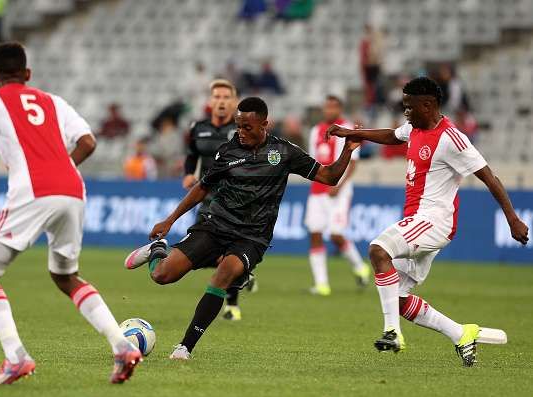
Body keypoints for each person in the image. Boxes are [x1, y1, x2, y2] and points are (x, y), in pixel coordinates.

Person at [124, 97, 360, 359]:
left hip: (252, 236)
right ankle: (158, 250)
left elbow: (329, 177)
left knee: (224, 275)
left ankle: (184, 347)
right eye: (239, 127)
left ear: (264, 124)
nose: (242, 132)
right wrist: (170, 220)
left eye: (248, 127)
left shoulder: (284, 152)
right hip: (216, 225)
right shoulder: (228, 151)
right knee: (162, 276)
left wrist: (347, 150)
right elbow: (203, 187)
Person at [0, 42, 141, 385]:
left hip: (31, 190)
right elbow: (89, 141)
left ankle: (16, 357)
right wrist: (63, 170)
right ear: (28, 74)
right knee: (66, 276)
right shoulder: (52, 100)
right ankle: (122, 346)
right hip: (73, 190)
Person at [327, 77, 529, 366]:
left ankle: (392, 333)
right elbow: (393, 135)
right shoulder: (414, 128)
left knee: (378, 249)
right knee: (395, 297)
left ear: (428, 104)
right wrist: (353, 133)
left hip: (434, 220)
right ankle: (461, 333)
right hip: (418, 220)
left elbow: (488, 177)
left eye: (409, 107)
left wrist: (512, 218)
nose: (405, 112)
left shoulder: (453, 139)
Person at [182, 79, 252, 321]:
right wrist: (189, 174)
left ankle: (232, 305)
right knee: (205, 251)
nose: (221, 102)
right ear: (210, 102)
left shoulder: (242, 130)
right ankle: (243, 272)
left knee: (230, 251)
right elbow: (192, 155)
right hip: (206, 197)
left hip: (235, 201)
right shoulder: (197, 128)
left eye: (226, 97)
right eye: (217, 97)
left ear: (234, 103)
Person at [305, 95, 369, 296]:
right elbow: (313, 159)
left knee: (335, 235)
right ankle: (322, 284)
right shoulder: (316, 131)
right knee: (315, 233)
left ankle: (359, 266)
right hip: (317, 190)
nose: (329, 110)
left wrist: (339, 185)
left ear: (340, 108)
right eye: (326, 107)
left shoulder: (347, 129)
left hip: (338, 192)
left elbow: (353, 162)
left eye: (333, 107)